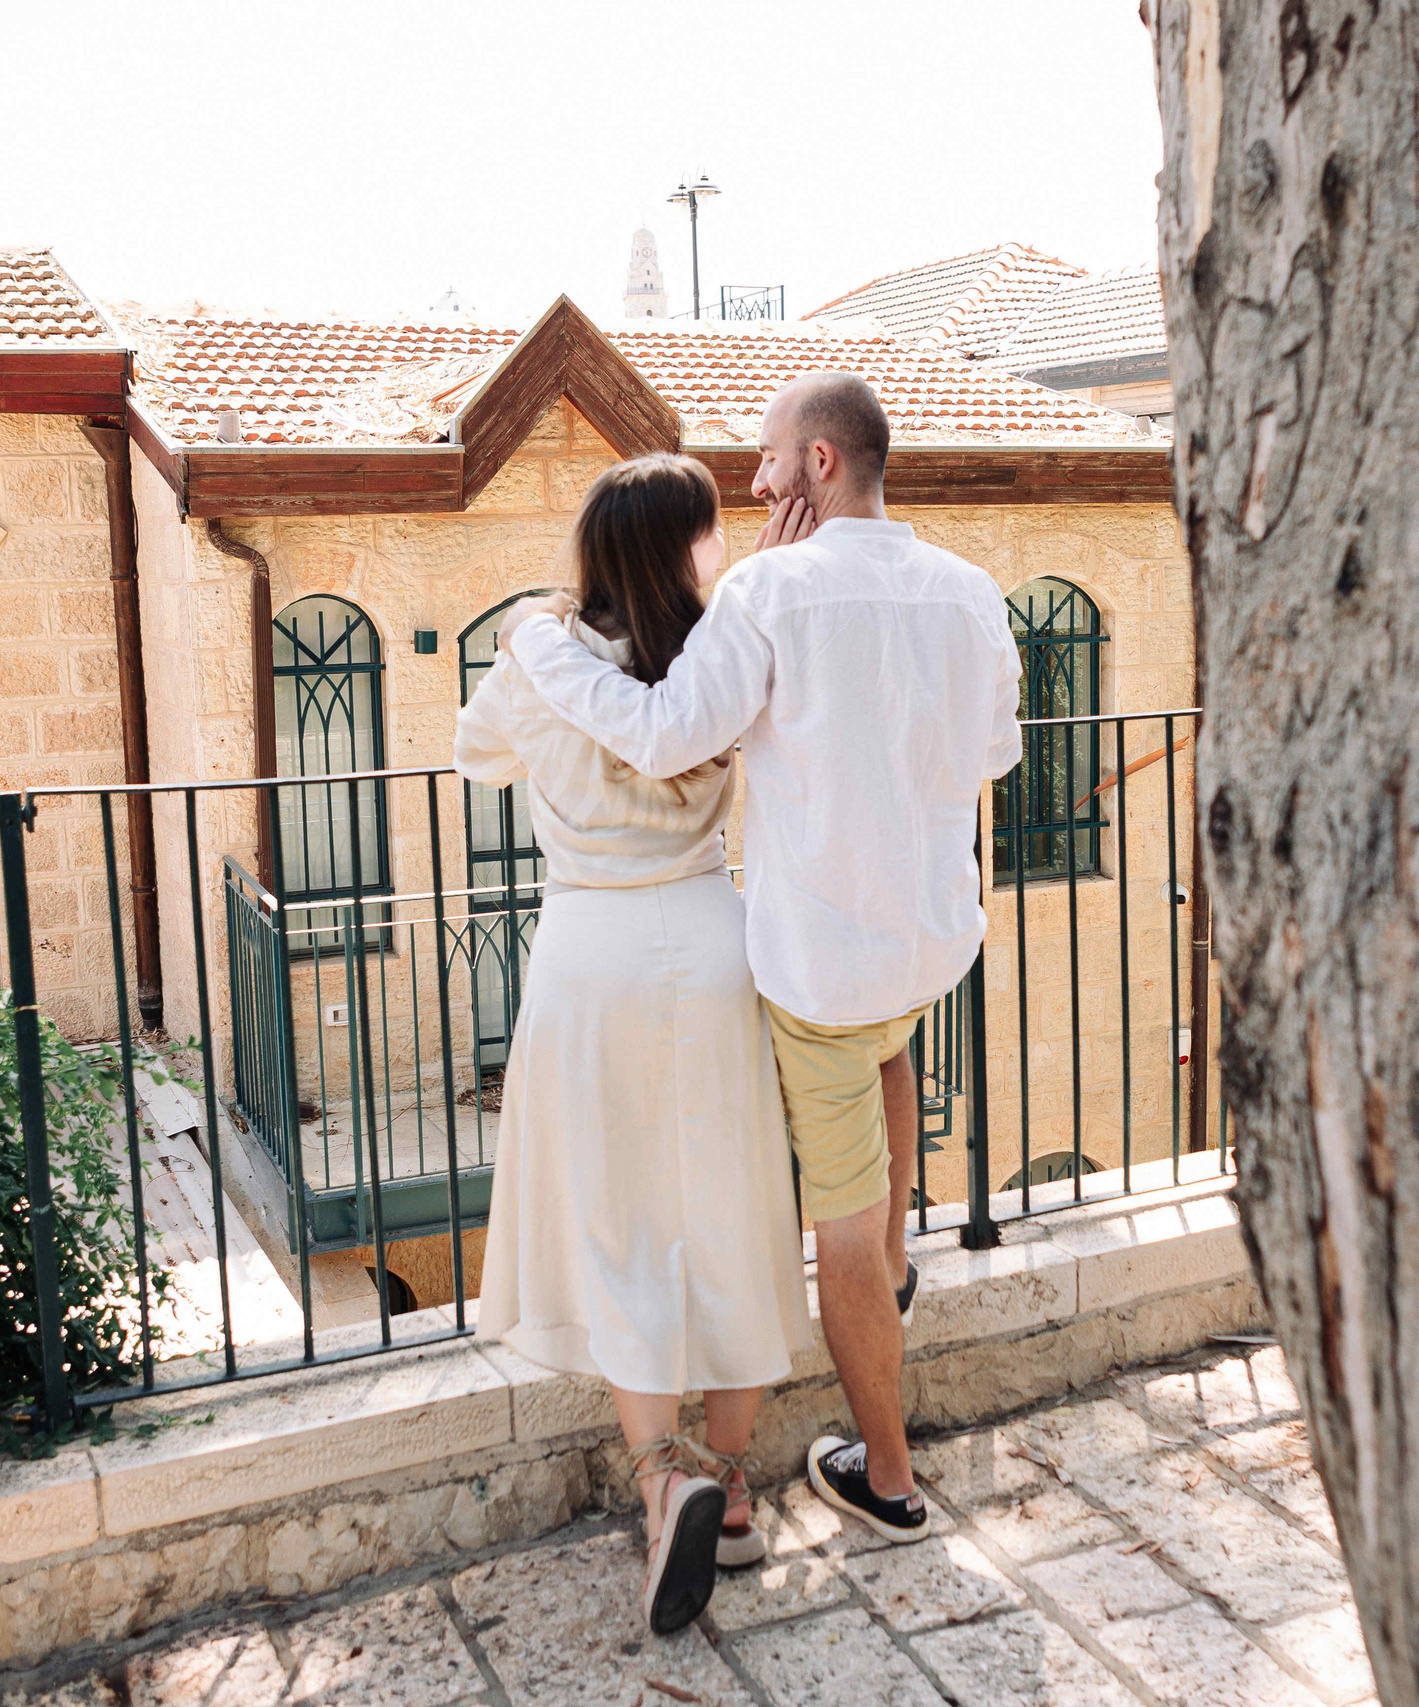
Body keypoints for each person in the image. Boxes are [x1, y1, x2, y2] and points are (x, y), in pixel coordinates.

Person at [497, 372, 1022, 1546]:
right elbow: (995, 750)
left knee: (839, 1228)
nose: (754, 478)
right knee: (887, 1070)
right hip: (926, 945)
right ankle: (894, 1261)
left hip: (821, 970)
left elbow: (662, 735)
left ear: (820, 463)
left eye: (770, 455)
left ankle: (888, 1478)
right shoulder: (969, 587)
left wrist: (541, 646)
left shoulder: (764, 591)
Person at [454, 452, 812, 1637]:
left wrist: (537, 653)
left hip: (589, 951)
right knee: (730, 1202)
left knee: (616, 1216)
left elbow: (476, 755)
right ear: (682, 546)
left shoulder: (541, 654)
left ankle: (663, 1479)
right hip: (710, 940)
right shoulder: (720, 656)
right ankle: (733, 1483)